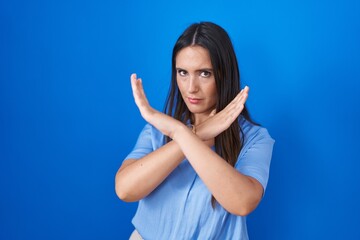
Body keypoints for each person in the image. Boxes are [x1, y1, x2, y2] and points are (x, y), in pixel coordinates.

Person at [115, 22, 274, 240]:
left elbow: (243, 202)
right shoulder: (158, 130)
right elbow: (125, 189)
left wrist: (182, 134)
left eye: (204, 73)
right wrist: (194, 133)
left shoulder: (254, 138)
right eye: (183, 72)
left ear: (224, 74)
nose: (191, 87)